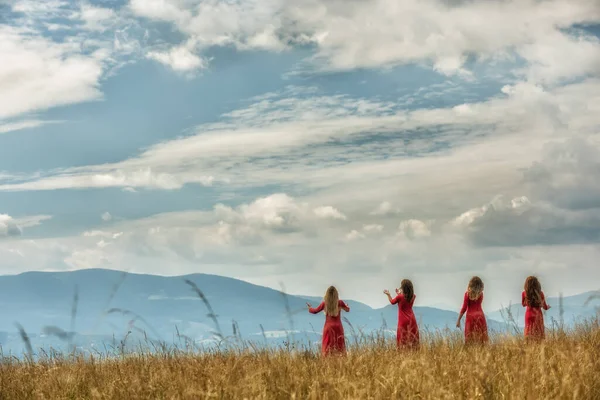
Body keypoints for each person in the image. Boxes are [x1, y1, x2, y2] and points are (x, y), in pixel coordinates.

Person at [307, 286, 350, 356]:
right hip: (338, 327)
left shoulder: (324, 304)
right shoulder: (340, 303)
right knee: (340, 346)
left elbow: (315, 311)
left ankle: (327, 361)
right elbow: (347, 310)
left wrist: (309, 308)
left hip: (328, 327)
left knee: (327, 346)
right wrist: (346, 306)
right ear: (336, 294)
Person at [383, 279, 419, 349]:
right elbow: (404, 299)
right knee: (412, 336)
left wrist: (388, 294)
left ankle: (402, 352)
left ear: (403, 288)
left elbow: (392, 302)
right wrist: (399, 294)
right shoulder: (413, 296)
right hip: (412, 319)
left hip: (403, 320)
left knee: (402, 337)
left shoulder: (400, 297)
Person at [456, 276, 489, 345]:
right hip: (480, 316)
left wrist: (458, 319)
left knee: (469, 339)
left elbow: (464, 308)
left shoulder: (467, 294)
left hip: (470, 317)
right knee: (481, 338)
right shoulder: (481, 294)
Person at [522, 276, 551, 341]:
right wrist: (548, 307)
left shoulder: (524, 293)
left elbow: (523, 304)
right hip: (538, 314)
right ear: (537, 284)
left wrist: (528, 301)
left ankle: (529, 345)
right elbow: (545, 307)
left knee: (529, 331)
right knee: (539, 331)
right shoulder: (540, 293)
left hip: (528, 315)